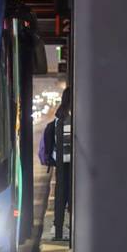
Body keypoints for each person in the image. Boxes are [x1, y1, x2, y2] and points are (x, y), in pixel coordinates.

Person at [52, 87, 72, 241]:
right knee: (71, 194)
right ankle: (69, 226)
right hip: (71, 162)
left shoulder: (59, 115)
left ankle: (58, 227)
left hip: (60, 162)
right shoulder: (72, 116)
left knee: (61, 194)